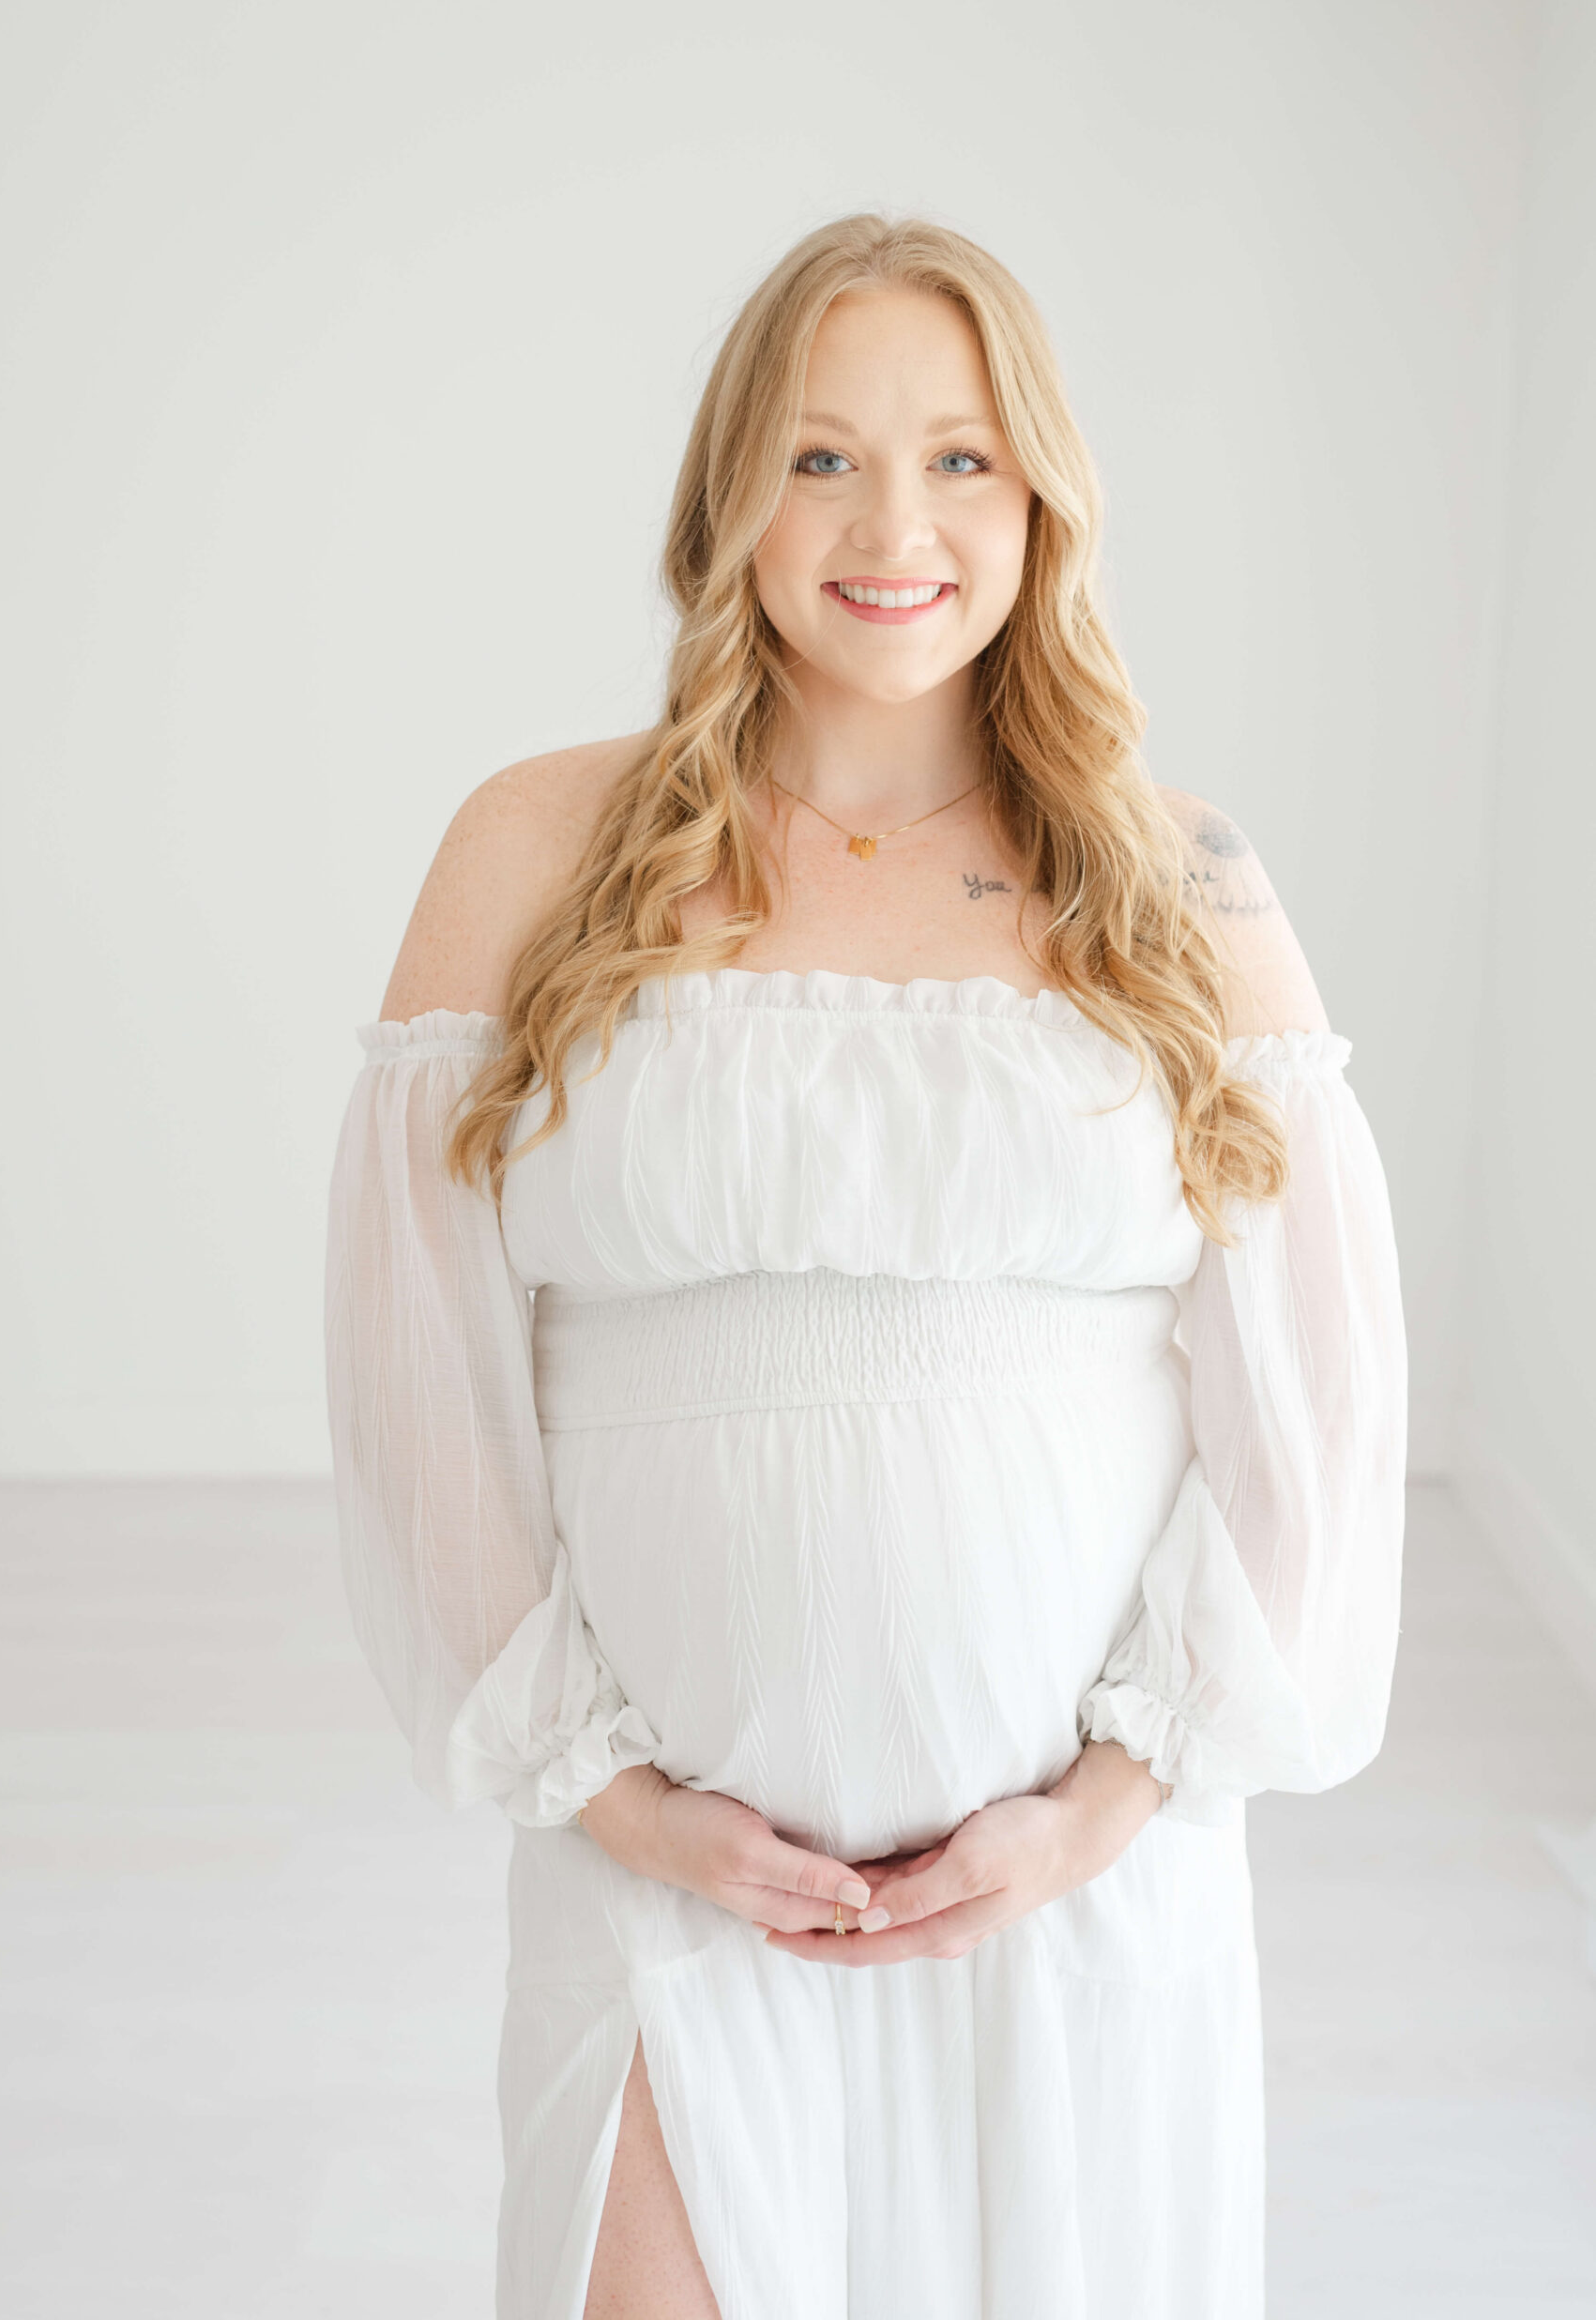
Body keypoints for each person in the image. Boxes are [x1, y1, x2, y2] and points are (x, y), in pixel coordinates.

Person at [324, 213, 1407, 2320]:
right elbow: (415, 1379)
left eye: (959, 459)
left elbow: (1315, 1414)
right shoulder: (537, 849)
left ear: (1041, 499)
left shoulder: (1176, 878)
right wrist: (613, 1796)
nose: (892, 525)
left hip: (1073, 1901)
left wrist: (1099, 1808)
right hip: (669, 1886)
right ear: (729, 491)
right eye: (820, 457)